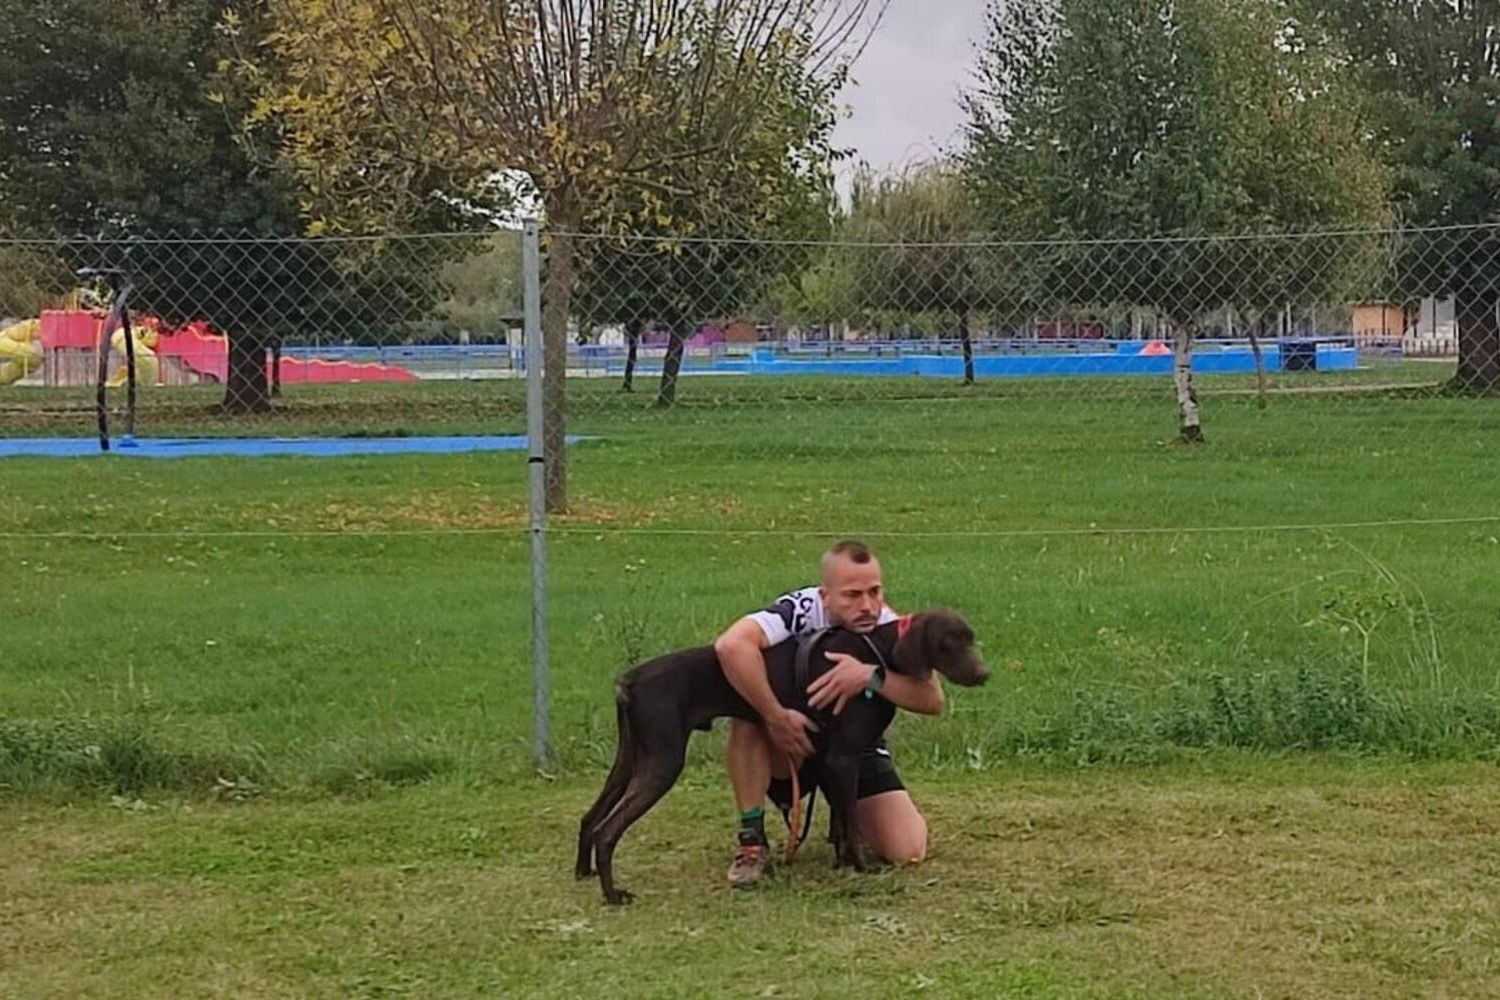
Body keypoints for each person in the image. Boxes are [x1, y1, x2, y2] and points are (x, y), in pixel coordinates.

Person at [712, 539, 943, 888]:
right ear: (825, 596)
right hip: (791, 738)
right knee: (745, 716)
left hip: (855, 745)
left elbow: (932, 699)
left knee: (907, 849)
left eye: (875, 591)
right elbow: (731, 645)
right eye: (852, 595)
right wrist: (775, 717)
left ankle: (849, 819)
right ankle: (752, 841)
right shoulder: (799, 610)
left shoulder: (888, 624)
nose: (867, 605)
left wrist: (870, 676)